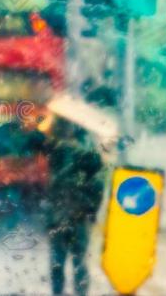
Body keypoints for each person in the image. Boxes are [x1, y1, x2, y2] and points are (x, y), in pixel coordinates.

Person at [43, 119, 106, 296]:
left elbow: (52, 187)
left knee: (60, 263)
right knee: (78, 263)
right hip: (77, 216)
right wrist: (93, 210)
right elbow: (98, 185)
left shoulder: (57, 150)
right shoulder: (88, 154)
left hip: (60, 217)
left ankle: (60, 293)